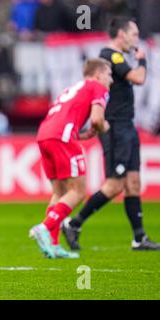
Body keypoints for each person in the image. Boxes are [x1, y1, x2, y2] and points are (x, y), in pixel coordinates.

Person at [62, 17, 160, 251]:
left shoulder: (117, 57)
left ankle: (139, 238)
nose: (136, 39)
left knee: (133, 183)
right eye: (133, 34)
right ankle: (73, 223)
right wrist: (143, 61)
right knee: (115, 185)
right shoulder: (111, 55)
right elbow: (138, 78)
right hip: (115, 126)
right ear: (121, 34)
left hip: (127, 124)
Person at [29, 58, 113, 258]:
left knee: (60, 191)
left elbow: (67, 117)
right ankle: (44, 228)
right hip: (62, 137)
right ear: (98, 74)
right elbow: (97, 119)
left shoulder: (74, 87)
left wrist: (82, 134)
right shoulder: (98, 87)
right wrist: (104, 127)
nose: (111, 80)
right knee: (78, 191)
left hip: (45, 135)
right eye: (109, 75)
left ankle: (54, 244)